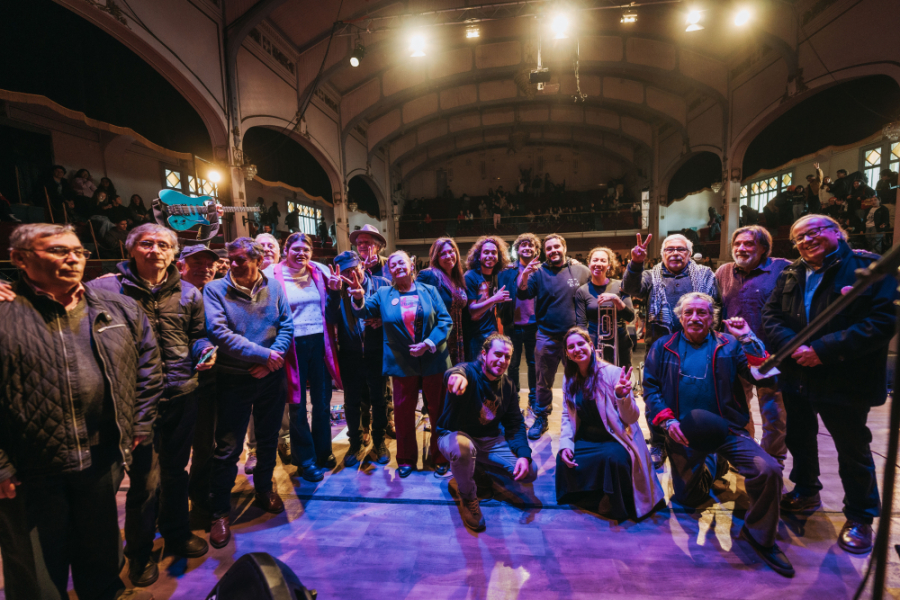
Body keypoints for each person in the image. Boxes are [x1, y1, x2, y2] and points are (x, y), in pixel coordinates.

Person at [0, 223, 163, 600]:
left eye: (79, 251)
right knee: (38, 579)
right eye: (58, 250)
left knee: (102, 562)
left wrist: (139, 421)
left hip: (101, 459)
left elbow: (147, 366)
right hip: (30, 470)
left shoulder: (116, 307)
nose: (73, 258)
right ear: (19, 259)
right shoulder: (7, 314)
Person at [87, 223, 214, 585]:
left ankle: (175, 533)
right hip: (137, 402)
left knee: (176, 472)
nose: (155, 250)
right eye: (146, 243)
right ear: (131, 250)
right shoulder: (104, 290)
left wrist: (204, 351)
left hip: (181, 392)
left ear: (174, 253)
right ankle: (139, 552)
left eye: (163, 244)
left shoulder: (189, 293)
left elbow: (197, 336)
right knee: (145, 480)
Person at [763, 215, 897, 555]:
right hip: (798, 373)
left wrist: (822, 350)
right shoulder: (792, 272)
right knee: (800, 437)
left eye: (813, 232)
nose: (806, 241)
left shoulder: (869, 268)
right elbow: (771, 316)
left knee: (852, 448)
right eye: (798, 238)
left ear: (837, 232)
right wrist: (796, 348)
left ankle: (861, 516)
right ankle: (806, 490)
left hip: (844, 376)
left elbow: (883, 321)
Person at [644, 293, 793, 577]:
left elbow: (762, 375)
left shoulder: (730, 343)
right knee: (688, 498)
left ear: (711, 317)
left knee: (768, 470)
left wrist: (748, 337)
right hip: (683, 433)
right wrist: (666, 420)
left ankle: (761, 536)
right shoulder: (662, 346)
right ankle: (714, 463)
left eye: (702, 312)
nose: (695, 318)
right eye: (689, 312)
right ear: (680, 317)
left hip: (728, 429)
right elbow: (651, 388)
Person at [203, 237, 294, 548]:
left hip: (271, 376)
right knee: (227, 447)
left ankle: (264, 489)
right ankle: (219, 512)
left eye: (241, 259)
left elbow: (286, 326)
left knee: (268, 438)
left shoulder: (276, 288)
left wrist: (271, 362)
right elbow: (218, 332)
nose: (234, 264)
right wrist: (262, 356)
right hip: (234, 378)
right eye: (231, 258)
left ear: (258, 260)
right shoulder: (215, 289)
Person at [349, 251, 453, 478]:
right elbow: (364, 311)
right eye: (393, 263)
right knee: (403, 413)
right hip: (402, 361)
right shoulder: (384, 293)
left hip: (433, 358)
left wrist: (428, 343)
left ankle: (440, 456)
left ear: (412, 264)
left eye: (401, 262)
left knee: (438, 411)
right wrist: (358, 297)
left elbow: (445, 320)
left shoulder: (430, 291)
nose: (397, 266)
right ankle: (405, 459)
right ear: (389, 270)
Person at [623, 232, 717, 468]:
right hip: (660, 346)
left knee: (696, 393)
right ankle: (657, 442)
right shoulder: (650, 275)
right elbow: (631, 288)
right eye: (670, 249)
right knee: (655, 394)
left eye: (681, 249)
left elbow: (716, 307)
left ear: (689, 253)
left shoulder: (705, 274)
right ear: (663, 253)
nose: (675, 253)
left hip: (698, 346)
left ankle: (692, 437)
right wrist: (635, 263)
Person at [556, 327, 664, 521]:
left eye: (581, 344)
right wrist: (566, 443)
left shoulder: (612, 374)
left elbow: (631, 418)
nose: (576, 349)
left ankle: (611, 501)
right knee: (564, 458)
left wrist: (622, 397)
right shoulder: (569, 378)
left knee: (615, 459)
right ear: (567, 353)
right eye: (571, 347)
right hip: (588, 437)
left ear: (591, 346)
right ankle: (595, 497)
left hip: (616, 436)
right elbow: (567, 415)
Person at [436, 333, 537, 531]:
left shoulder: (507, 385)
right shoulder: (469, 372)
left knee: (530, 472)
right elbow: (456, 372)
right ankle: (467, 496)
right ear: (484, 354)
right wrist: (456, 377)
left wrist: (524, 455)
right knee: (463, 449)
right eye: (497, 354)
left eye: (507, 357)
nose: (502, 360)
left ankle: (474, 470)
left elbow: (515, 424)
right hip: (456, 436)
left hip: (489, 441)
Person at [270, 232, 342, 481]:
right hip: (292, 346)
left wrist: (335, 293)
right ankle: (306, 460)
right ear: (285, 249)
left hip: (319, 342)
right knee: (298, 406)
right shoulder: (272, 275)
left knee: (322, 402)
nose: (301, 254)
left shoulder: (319, 272)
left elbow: (330, 310)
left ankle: (324, 452)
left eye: (306, 250)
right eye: (296, 249)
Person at [715, 226, 790, 465]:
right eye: (737, 244)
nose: (741, 249)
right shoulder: (724, 272)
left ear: (764, 248)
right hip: (734, 355)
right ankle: (747, 456)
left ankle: (773, 460)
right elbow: (717, 310)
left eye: (749, 244)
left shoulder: (782, 268)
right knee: (738, 411)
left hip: (771, 356)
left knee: (774, 414)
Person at [517, 234, 591, 440]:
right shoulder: (538, 273)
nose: (553, 251)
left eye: (557, 246)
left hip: (574, 339)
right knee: (542, 382)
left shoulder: (582, 270)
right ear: (545, 252)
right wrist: (524, 276)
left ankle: (582, 418)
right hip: (546, 336)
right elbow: (524, 294)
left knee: (580, 380)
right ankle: (541, 418)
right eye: (549, 248)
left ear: (564, 247)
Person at [326, 251, 391, 467]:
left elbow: (395, 312)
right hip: (350, 353)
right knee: (351, 402)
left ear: (362, 265)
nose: (350, 274)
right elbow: (330, 318)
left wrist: (383, 320)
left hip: (376, 351)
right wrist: (334, 294)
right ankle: (354, 443)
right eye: (344, 271)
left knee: (379, 400)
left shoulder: (382, 283)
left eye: (353, 268)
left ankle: (379, 442)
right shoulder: (337, 290)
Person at [177, 244, 221, 513]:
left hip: (210, 380)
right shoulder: (172, 294)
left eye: (208, 263)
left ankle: (200, 495)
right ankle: (171, 502)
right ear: (181, 264)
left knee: (206, 444)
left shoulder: (217, 294)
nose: (204, 267)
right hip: (177, 382)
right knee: (175, 449)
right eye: (197, 262)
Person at [497, 233, 540, 409]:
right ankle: (513, 399)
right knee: (512, 365)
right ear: (517, 249)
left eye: (531, 245)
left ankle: (534, 398)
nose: (527, 248)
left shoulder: (542, 270)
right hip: (512, 325)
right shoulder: (507, 271)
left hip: (535, 325)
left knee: (533, 364)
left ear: (536, 250)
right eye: (523, 245)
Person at [574, 247, 635, 368]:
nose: (598, 264)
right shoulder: (582, 291)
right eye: (595, 260)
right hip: (594, 343)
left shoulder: (620, 286)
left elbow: (630, 316)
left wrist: (616, 300)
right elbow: (581, 324)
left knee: (620, 380)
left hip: (620, 343)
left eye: (603, 261)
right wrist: (589, 345)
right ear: (589, 263)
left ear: (609, 265)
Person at [416, 237, 468, 365]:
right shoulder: (428, 275)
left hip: (457, 337)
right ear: (435, 257)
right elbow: (414, 305)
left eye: (451, 251)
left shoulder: (458, 278)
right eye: (443, 253)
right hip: (439, 337)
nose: (448, 256)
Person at [464, 235, 510, 360]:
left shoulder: (496, 275)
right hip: (475, 336)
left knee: (491, 372)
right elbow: (472, 310)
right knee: (477, 373)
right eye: (486, 252)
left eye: (494, 252)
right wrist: (495, 299)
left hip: (492, 333)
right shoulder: (470, 276)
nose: (490, 255)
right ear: (479, 256)